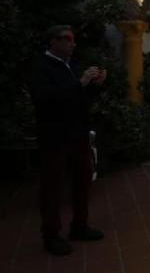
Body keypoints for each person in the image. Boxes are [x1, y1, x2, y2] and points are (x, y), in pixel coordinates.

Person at [29, 25, 106, 256]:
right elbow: (45, 99)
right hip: (54, 136)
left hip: (77, 134)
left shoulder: (71, 66)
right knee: (52, 187)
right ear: (53, 41)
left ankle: (79, 226)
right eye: (68, 39)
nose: (73, 44)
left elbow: (80, 98)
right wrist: (80, 82)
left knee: (82, 181)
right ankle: (51, 235)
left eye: (73, 40)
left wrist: (95, 86)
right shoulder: (40, 67)